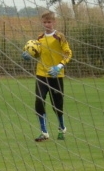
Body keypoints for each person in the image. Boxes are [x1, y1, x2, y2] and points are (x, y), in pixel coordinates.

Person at [24, 9, 72, 141]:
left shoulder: (59, 37)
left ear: (54, 22)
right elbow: (38, 53)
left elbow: (68, 53)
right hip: (41, 74)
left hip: (56, 75)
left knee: (57, 105)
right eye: (44, 22)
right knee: (39, 101)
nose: (47, 24)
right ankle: (44, 132)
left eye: (49, 22)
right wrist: (29, 55)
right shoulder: (39, 38)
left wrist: (59, 66)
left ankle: (62, 127)